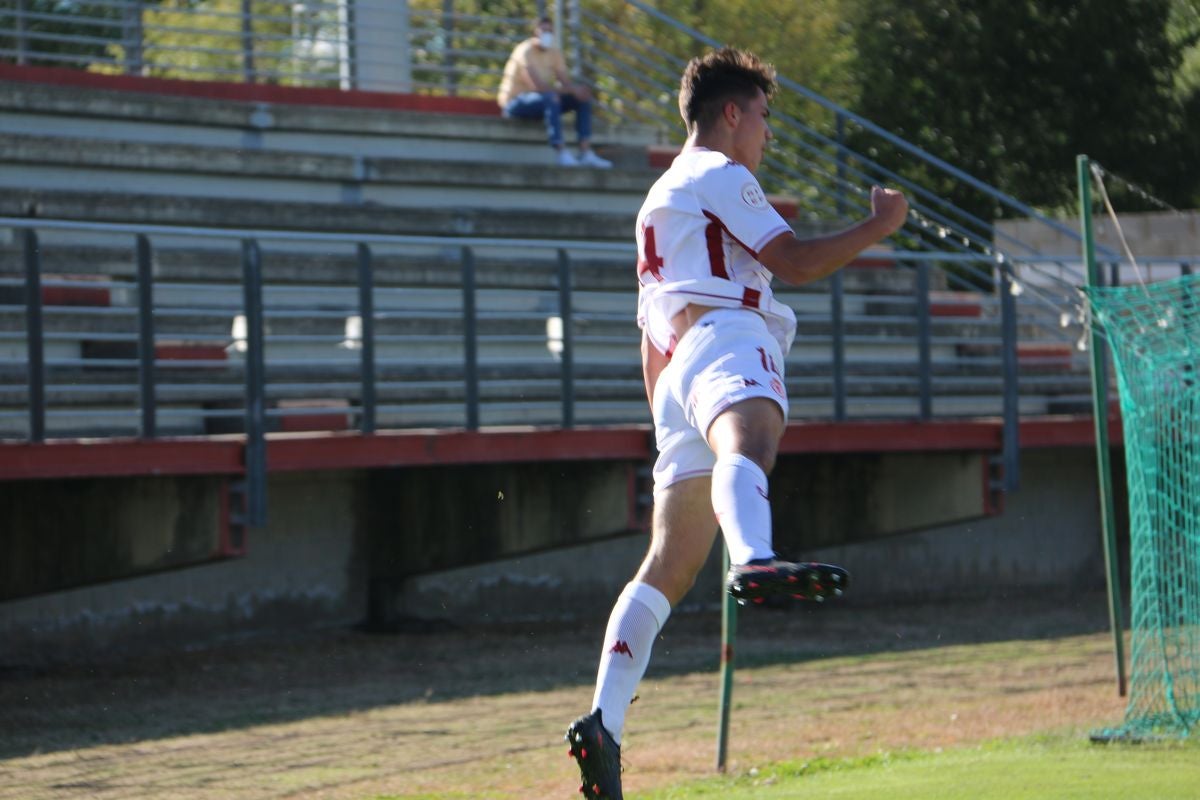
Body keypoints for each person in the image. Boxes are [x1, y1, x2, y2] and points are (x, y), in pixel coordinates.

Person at [564, 48, 909, 799]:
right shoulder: (721, 173)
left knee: (668, 562)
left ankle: (604, 721)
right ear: (731, 113)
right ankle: (754, 557)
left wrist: (663, 405)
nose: (766, 132)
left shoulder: (657, 196)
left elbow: (648, 326)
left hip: (674, 367)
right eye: (762, 115)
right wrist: (880, 224)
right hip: (726, 336)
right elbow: (798, 262)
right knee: (748, 440)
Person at [497, 17, 612, 168]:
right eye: (544, 30)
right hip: (515, 104)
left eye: (550, 31)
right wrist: (571, 90)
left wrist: (577, 91)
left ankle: (585, 152)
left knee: (582, 99)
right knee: (552, 98)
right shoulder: (524, 51)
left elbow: (566, 83)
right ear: (535, 32)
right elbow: (537, 87)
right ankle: (561, 152)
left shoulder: (554, 52)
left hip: (542, 101)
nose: (547, 34)